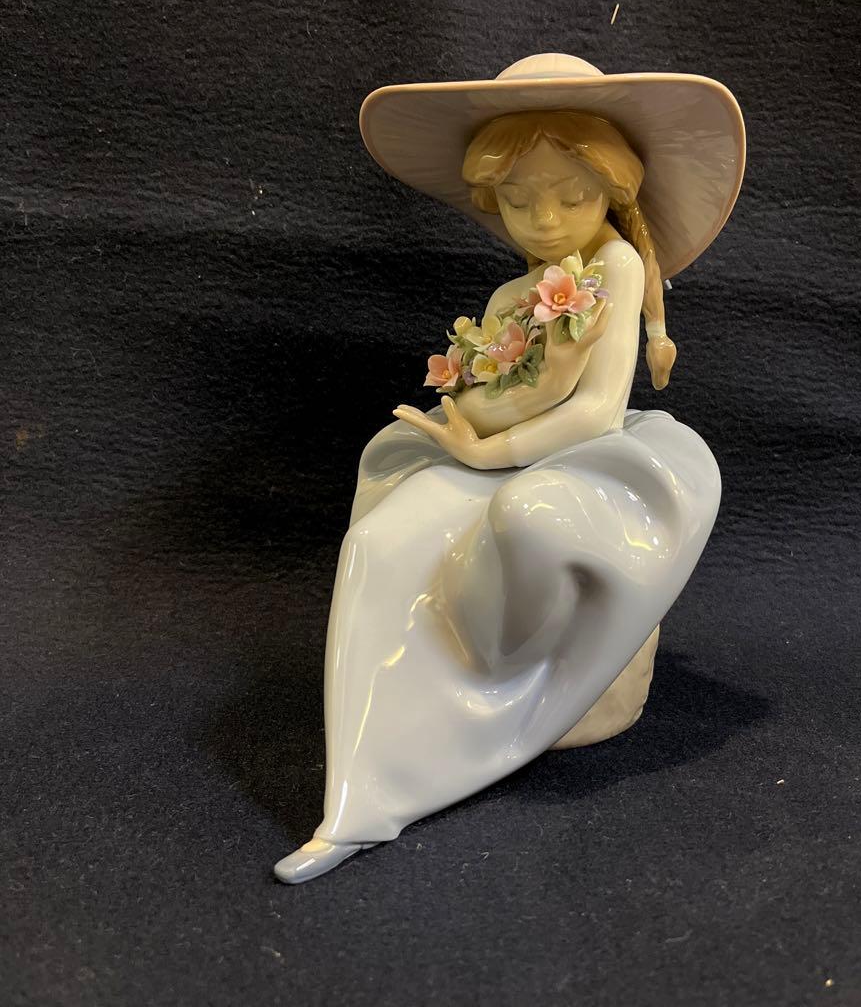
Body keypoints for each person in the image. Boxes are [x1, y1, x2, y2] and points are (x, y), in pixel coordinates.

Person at [273, 53, 745, 884]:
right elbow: (485, 396)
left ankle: (502, 705)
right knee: (378, 545)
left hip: (593, 457)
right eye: (519, 201)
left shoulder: (617, 267)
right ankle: (359, 797)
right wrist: (470, 427)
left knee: (528, 519)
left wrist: (486, 447)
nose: (544, 220)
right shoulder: (508, 300)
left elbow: (595, 413)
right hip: (500, 449)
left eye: (570, 197)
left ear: (611, 193)